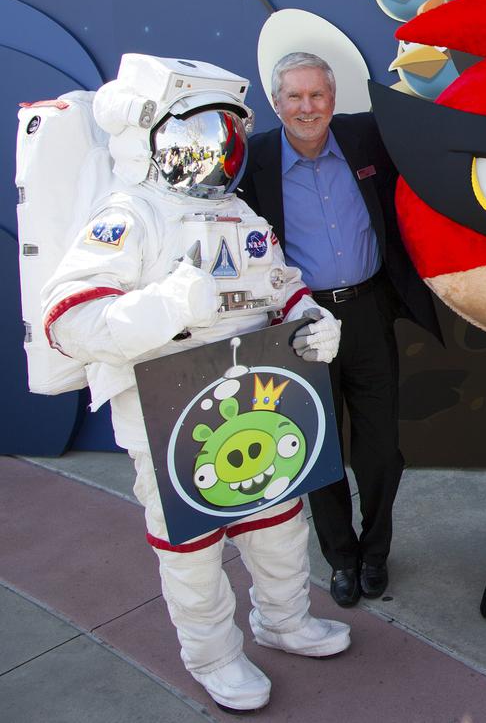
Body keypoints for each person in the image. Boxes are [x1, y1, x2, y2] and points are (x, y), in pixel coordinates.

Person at [42, 54, 349, 712]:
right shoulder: (128, 216)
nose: (212, 153)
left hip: (253, 398)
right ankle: (213, 656)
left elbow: (280, 287)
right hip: (166, 409)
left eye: (223, 137)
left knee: (278, 516)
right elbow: (68, 319)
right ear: (151, 137)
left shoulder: (236, 214)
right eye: (196, 137)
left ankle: (283, 619)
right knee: (192, 540)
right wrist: (172, 305)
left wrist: (312, 321)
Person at [239, 52, 442, 608]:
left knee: (380, 449)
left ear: (334, 98)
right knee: (319, 452)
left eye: (318, 95)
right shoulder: (252, 163)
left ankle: (376, 553)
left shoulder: (366, 137)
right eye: (295, 97)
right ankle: (342, 560)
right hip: (299, 324)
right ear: (276, 103)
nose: (308, 108)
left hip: (369, 312)